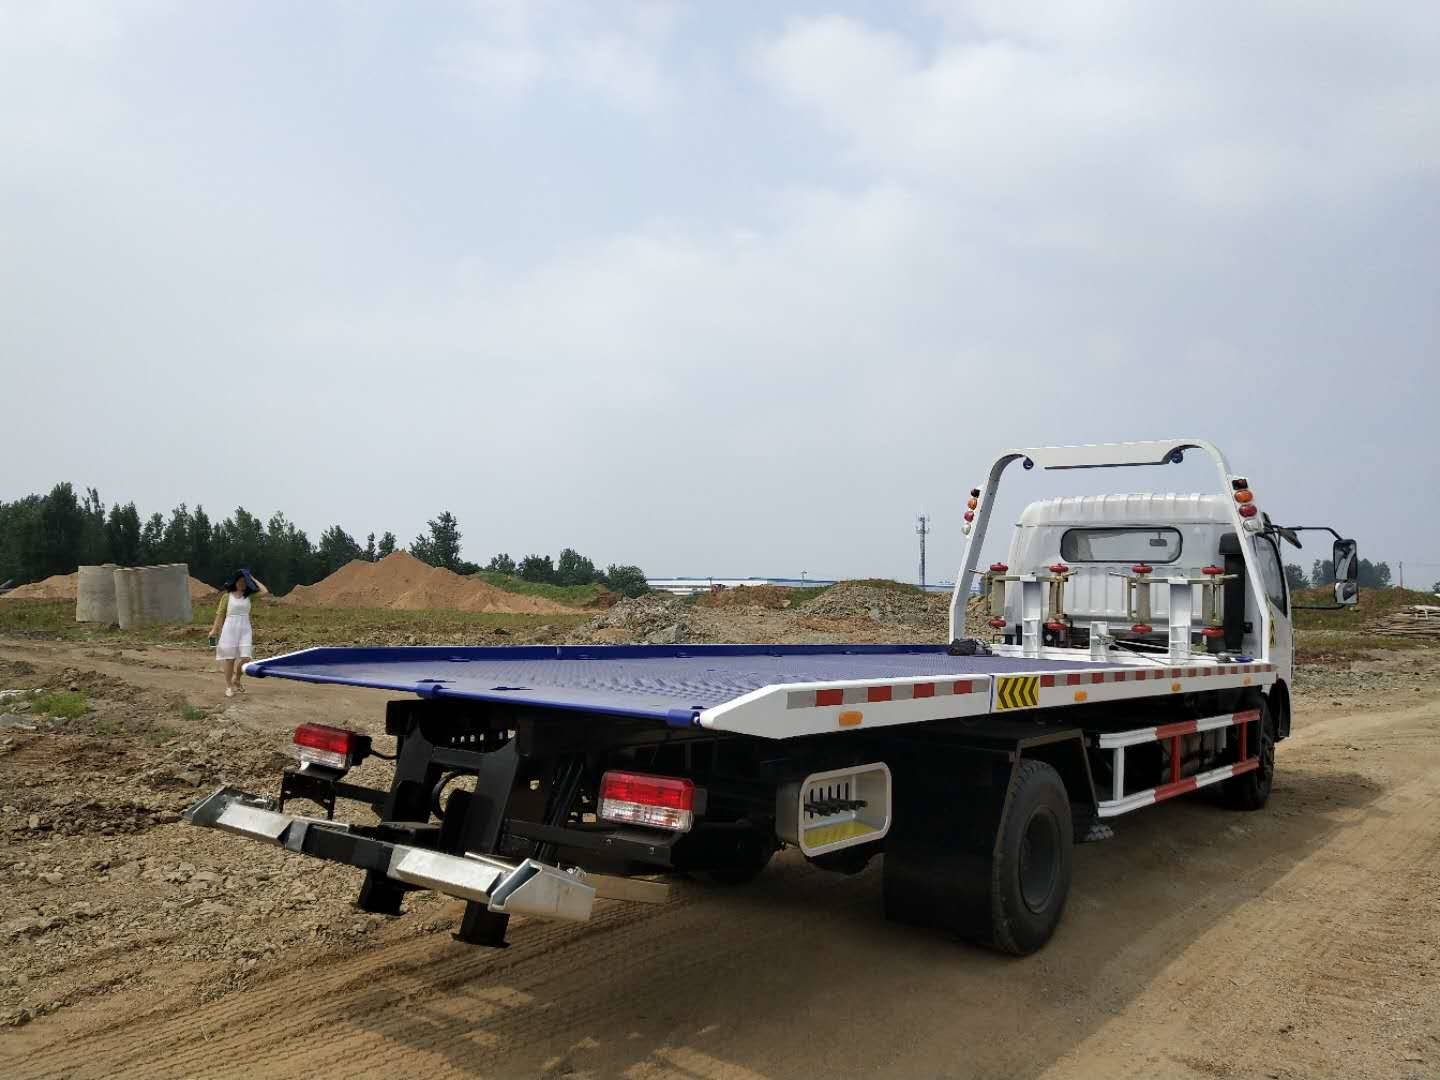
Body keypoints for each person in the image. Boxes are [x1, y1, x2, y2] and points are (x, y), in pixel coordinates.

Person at [209, 569, 269, 697]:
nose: (241, 584)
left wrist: (252, 578)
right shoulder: (227, 596)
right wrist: (214, 630)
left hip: (245, 629)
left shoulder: (249, 596)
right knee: (229, 659)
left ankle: (237, 679)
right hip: (230, 628)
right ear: (234, 582)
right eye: (239, 581)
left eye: (244, 582)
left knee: (246, 658)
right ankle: (229, 686)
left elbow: (264, 591)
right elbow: (220, 614)